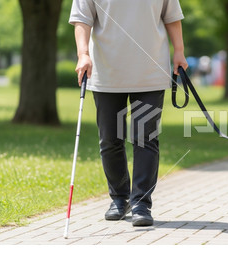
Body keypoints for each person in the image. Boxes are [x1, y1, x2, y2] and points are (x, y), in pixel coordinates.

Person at [69, 0, 188, 227]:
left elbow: (172, 16)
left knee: (145, 139)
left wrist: (179, 51)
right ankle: (119, 199)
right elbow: (82, 19)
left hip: (149, 74)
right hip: (106, 73)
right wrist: (82, 53)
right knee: (110, 140)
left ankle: (141, 203)